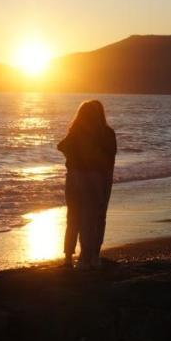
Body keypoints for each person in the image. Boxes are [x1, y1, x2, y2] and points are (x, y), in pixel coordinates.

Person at [57, 100, 117, 269]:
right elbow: (110, 158)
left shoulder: (75, 132)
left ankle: (69, 258)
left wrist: (74, 157)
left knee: (74, 217)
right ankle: (91, 257)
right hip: (98, 178)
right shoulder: (107, 133)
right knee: (96, 217)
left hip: (74, 177)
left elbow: (61, 146)